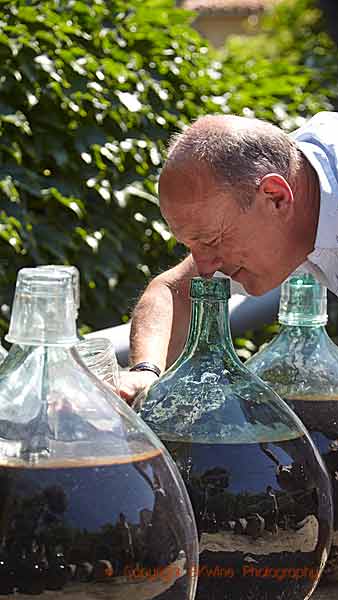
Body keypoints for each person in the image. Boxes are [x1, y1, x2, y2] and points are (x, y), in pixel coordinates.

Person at [120, 111, 338, 403]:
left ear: (276, 197)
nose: (206, 267)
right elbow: (175, 292)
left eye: (211, 240)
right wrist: (146, 374)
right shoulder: (292, 183)